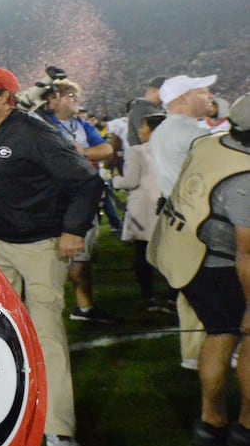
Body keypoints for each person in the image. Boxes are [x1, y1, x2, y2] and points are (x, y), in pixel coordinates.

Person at [0, 68, 104, 446]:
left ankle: (58, 427)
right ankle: (5, 409)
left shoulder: (36, 133)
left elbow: (87, 182)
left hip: (41, 246)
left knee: (47, 334)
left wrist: (74, 230)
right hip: (0, 246)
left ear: (5, 97)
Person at [149, 95, 250, 446]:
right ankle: (244, 427)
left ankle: (211, 420)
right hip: (218, 263)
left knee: (217, 332)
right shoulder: (245, 180)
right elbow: (247, 253)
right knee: (236, 337)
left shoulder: (210, 144)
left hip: (185, 251)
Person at [150, 73, 217, 369]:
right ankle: (219, 348)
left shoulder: (165, 129)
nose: (210, 97)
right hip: (204, 220)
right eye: (202, 92)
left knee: (190, 288)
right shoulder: (191, 133)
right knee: (217, 287)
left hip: (179, 218)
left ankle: (193, 352)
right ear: (182, 99)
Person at [47, 79, 120, 323]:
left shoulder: (81, 125)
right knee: (54, 259)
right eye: (72, 96)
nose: (77, 102)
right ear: (54, 99)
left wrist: (81, 153)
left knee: (83, 256)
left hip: (83, 198)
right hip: (53, 200)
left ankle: (84, 307)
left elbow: (106, 151)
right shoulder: (42, 124)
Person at [114, 113, 172, 314]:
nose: (140, 130)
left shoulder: (137, 151)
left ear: (154, 130)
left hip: (144, 207)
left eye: (144, 126)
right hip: (168, 205)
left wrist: (113, 182)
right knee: (168, 250)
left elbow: (130, 181)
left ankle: (149, 296)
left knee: (142, 253)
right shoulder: (174, 149)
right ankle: (173, 294)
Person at [126, 76, 167, 147]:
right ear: (154, 90)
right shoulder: (142, 108)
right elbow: (147, 138)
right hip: (144, 155)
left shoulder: (152, 108)